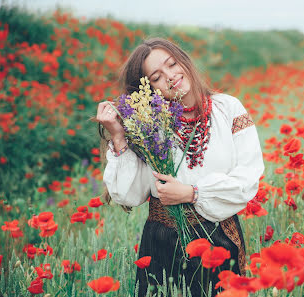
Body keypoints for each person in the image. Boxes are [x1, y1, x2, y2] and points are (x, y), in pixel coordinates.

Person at [96, 37, 264, 297]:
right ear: (148, 89)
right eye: (155, 77)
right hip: (163, 242)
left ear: (183, 60)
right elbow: (130, 195)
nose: (170, 76)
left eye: (172, 64)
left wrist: (193, 193)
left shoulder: (228, 109)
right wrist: (119, 136)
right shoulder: (148, 124)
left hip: (218, 238)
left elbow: (248, 178)